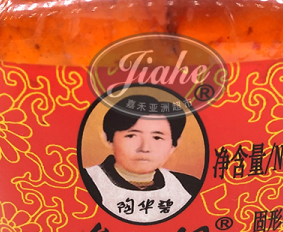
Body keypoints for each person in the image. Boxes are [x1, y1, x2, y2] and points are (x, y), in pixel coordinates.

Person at [82, 94, 202, 222]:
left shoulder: (188, 187)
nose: (144, 148)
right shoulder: (85, 182)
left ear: (173, 145)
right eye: (131, 136)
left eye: (157, 137)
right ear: (108, 139)